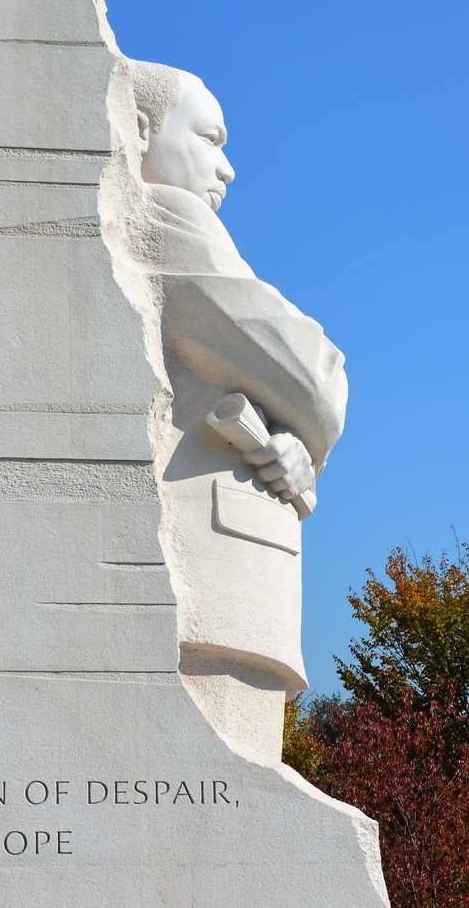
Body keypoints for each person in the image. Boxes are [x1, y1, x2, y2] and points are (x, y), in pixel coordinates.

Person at [126, 59, 349, 760]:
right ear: (136, 130)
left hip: (234, 574)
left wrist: (296, 444)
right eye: (210, 138)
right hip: (214, 577)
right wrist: (309, 420)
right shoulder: (163, 218)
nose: (226, 170)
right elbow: (315, 375)